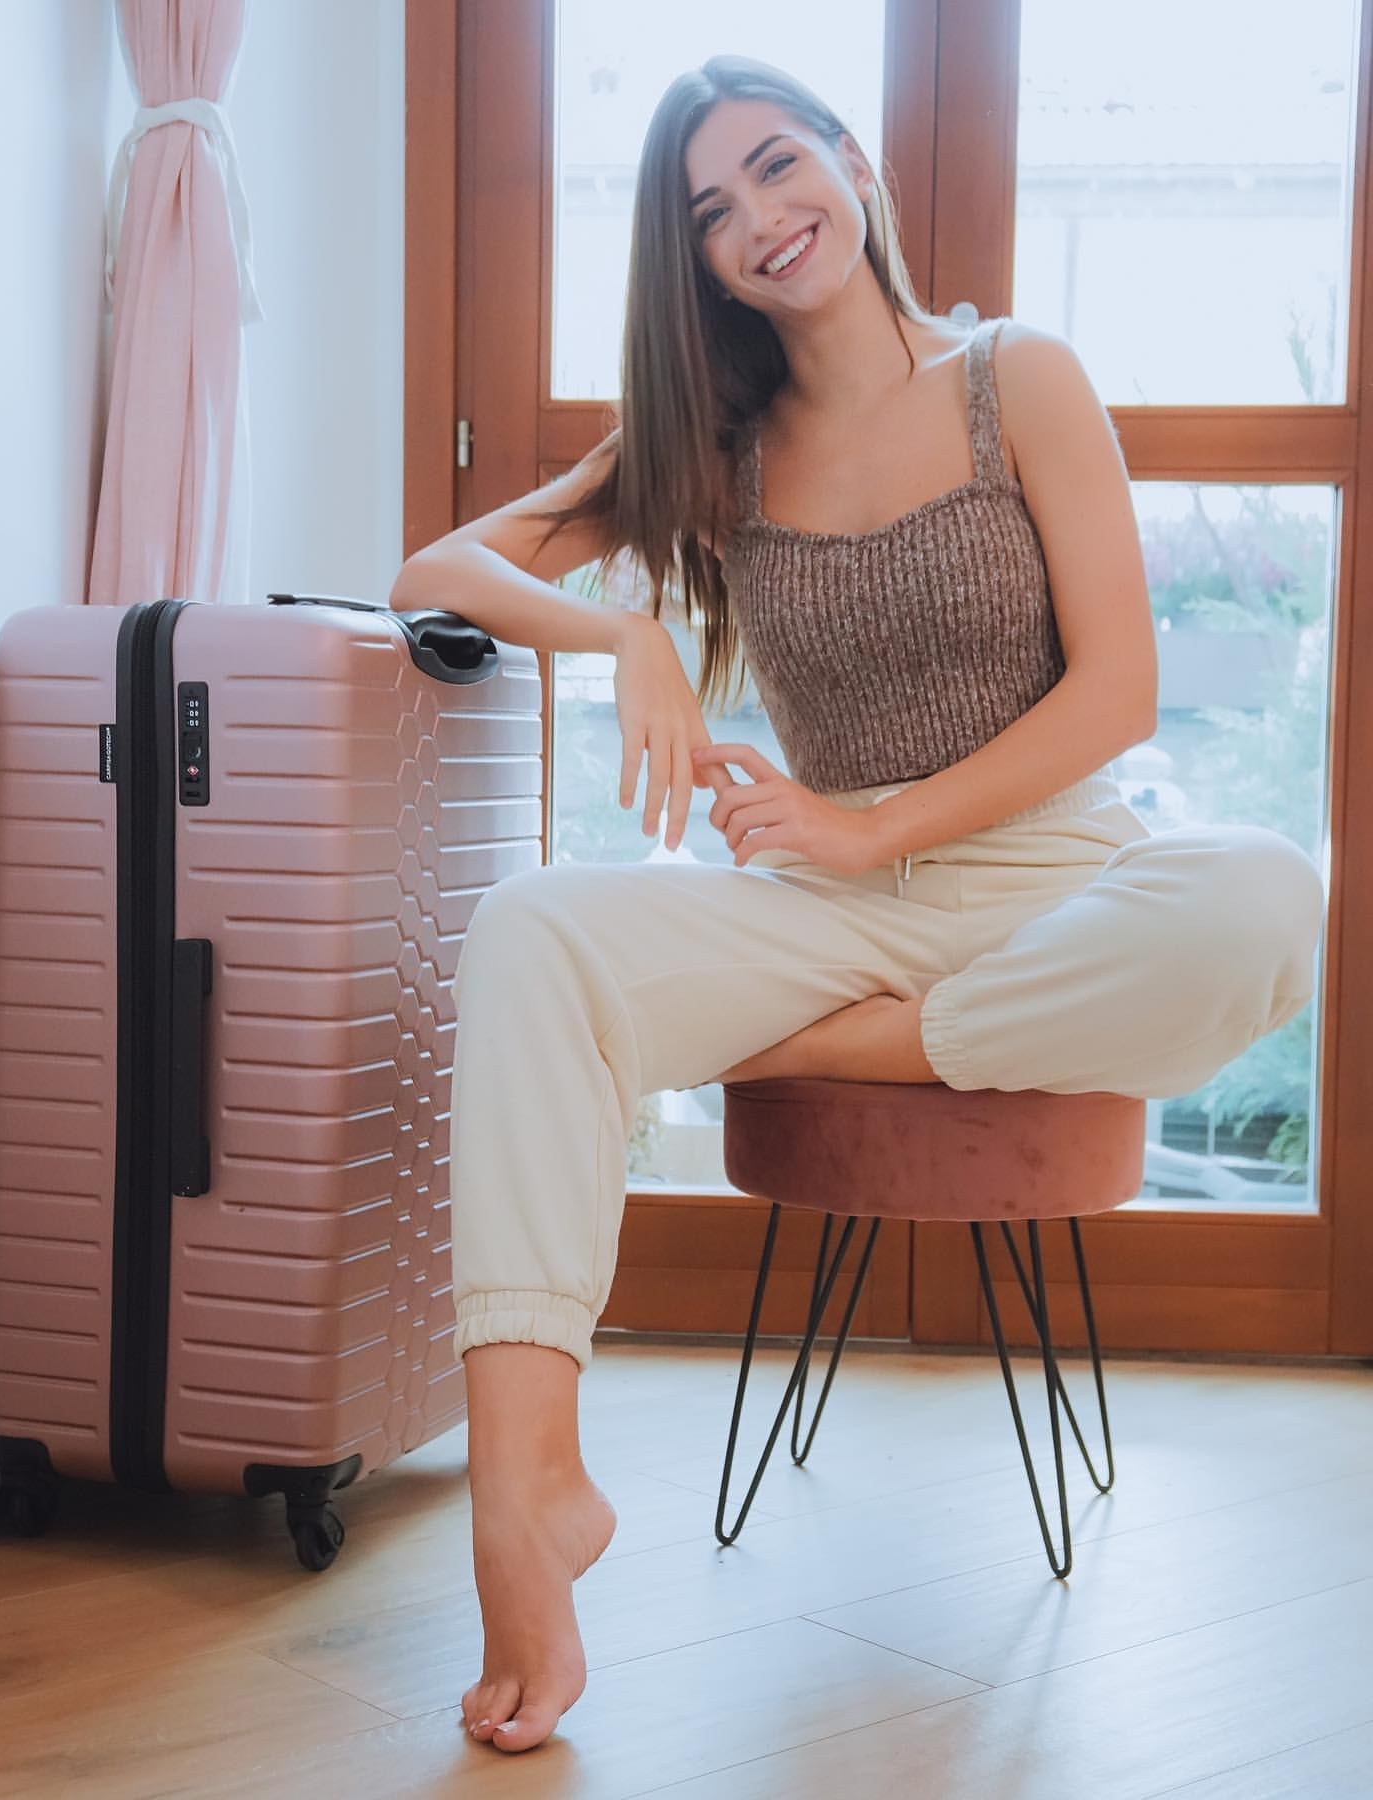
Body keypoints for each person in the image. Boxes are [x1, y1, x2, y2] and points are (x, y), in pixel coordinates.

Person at [388, 54, 1325, 1756]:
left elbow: (1119, 692)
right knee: (534, 931)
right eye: (711, 210)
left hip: (1053, 876)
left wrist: (868, 823)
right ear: (698, 263)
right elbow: (433, 572)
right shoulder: (712, 443)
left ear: (856, 163)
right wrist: (623, 630)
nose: (758, 217)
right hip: (832, 903)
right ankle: (526, 1493)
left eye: (776, 164)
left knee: (1265, 893)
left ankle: (856, 1043)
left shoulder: (1015, 376)